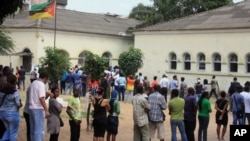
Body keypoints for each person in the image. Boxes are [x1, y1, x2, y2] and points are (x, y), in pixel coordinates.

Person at [0, 74, 23, 141]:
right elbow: (18, 104)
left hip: (2, 113)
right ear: (15, 82)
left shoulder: (2, 91)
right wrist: (21, 105)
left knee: (8, 130)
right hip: (12, 114)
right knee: (13, 132)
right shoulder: (15, 92)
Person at [29, 72, 50, 141]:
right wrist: (46, 110)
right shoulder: (41, 84)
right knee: (39, 130)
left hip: (31, 108)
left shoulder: (33, 83)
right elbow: (41, 98)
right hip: (38, 109)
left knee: (33, 129)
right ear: (46, 78)